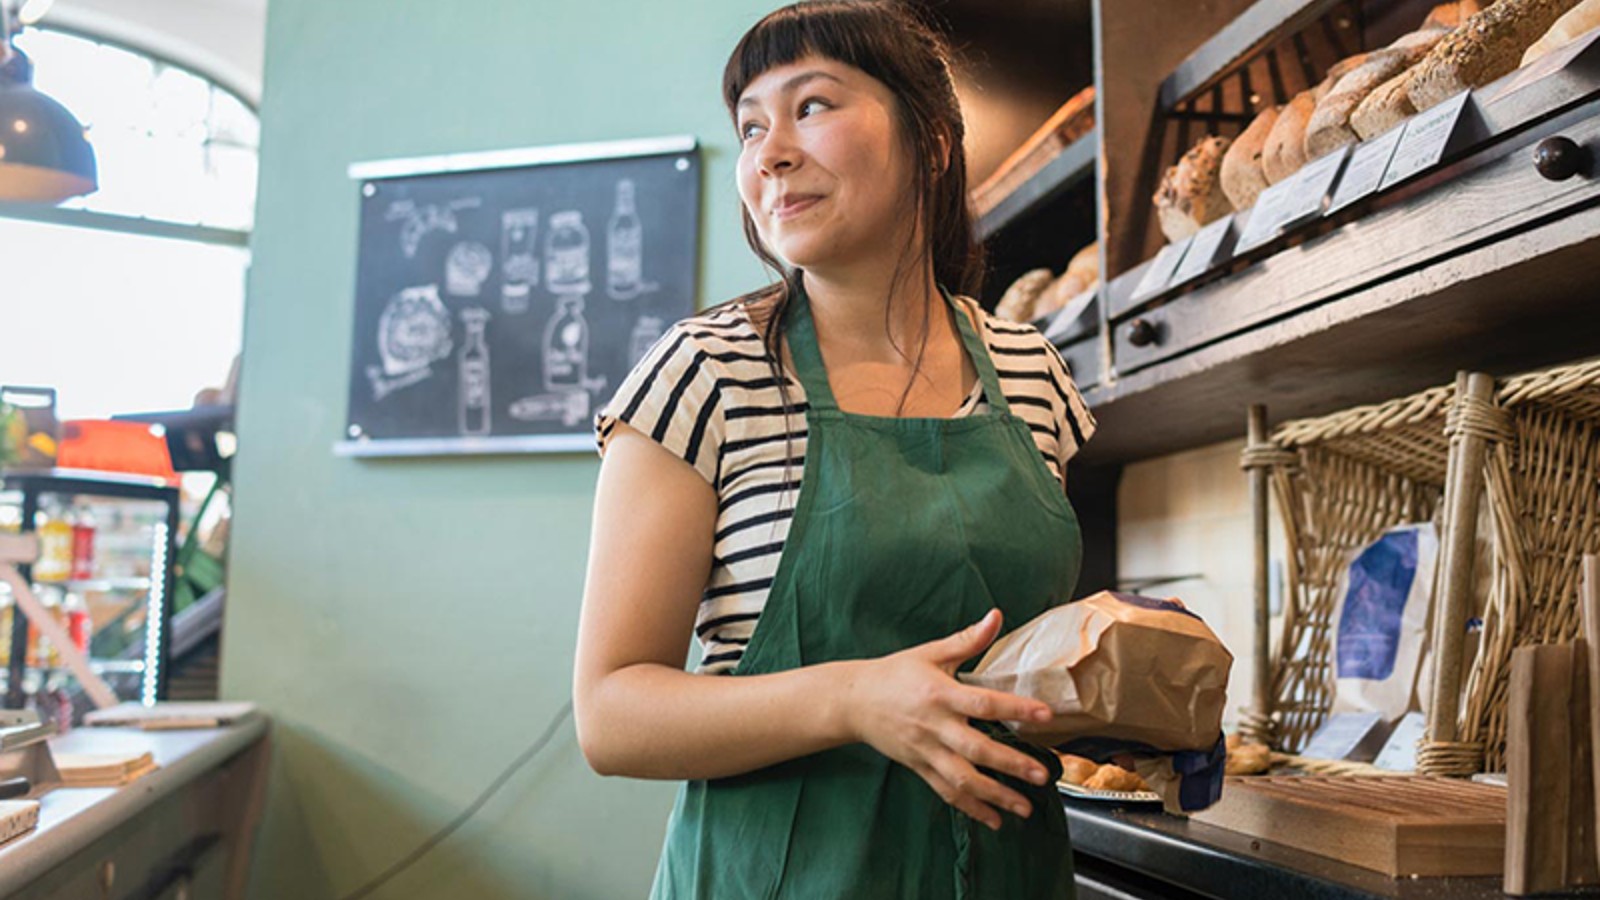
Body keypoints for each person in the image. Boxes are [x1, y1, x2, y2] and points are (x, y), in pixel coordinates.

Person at [574, 2, 1098, 896]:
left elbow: (1030, 661)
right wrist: (854, 699)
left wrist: (1130, 701)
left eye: (812, 105)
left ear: (931, 142)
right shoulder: (708, 372)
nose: (768, 152)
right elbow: (611, 714)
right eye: (749, 126)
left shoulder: (1032, 373)